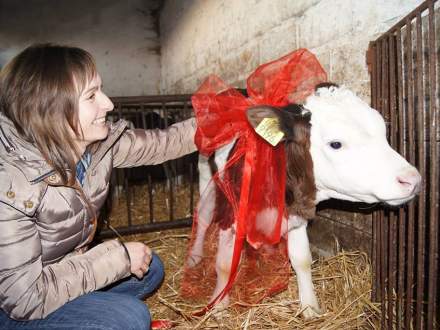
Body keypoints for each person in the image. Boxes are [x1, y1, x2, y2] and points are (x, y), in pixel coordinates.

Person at [0, 43, 197, 329]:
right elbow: (24, 296)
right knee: (130, 318)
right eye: (92, 96)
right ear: (50, 111)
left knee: (150, 269)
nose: (109, 104)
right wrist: (116, 259)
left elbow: (161, 142)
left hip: (59, 272)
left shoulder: (94, 147)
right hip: (13, 304)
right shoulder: (11, 183)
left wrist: (221, 121)